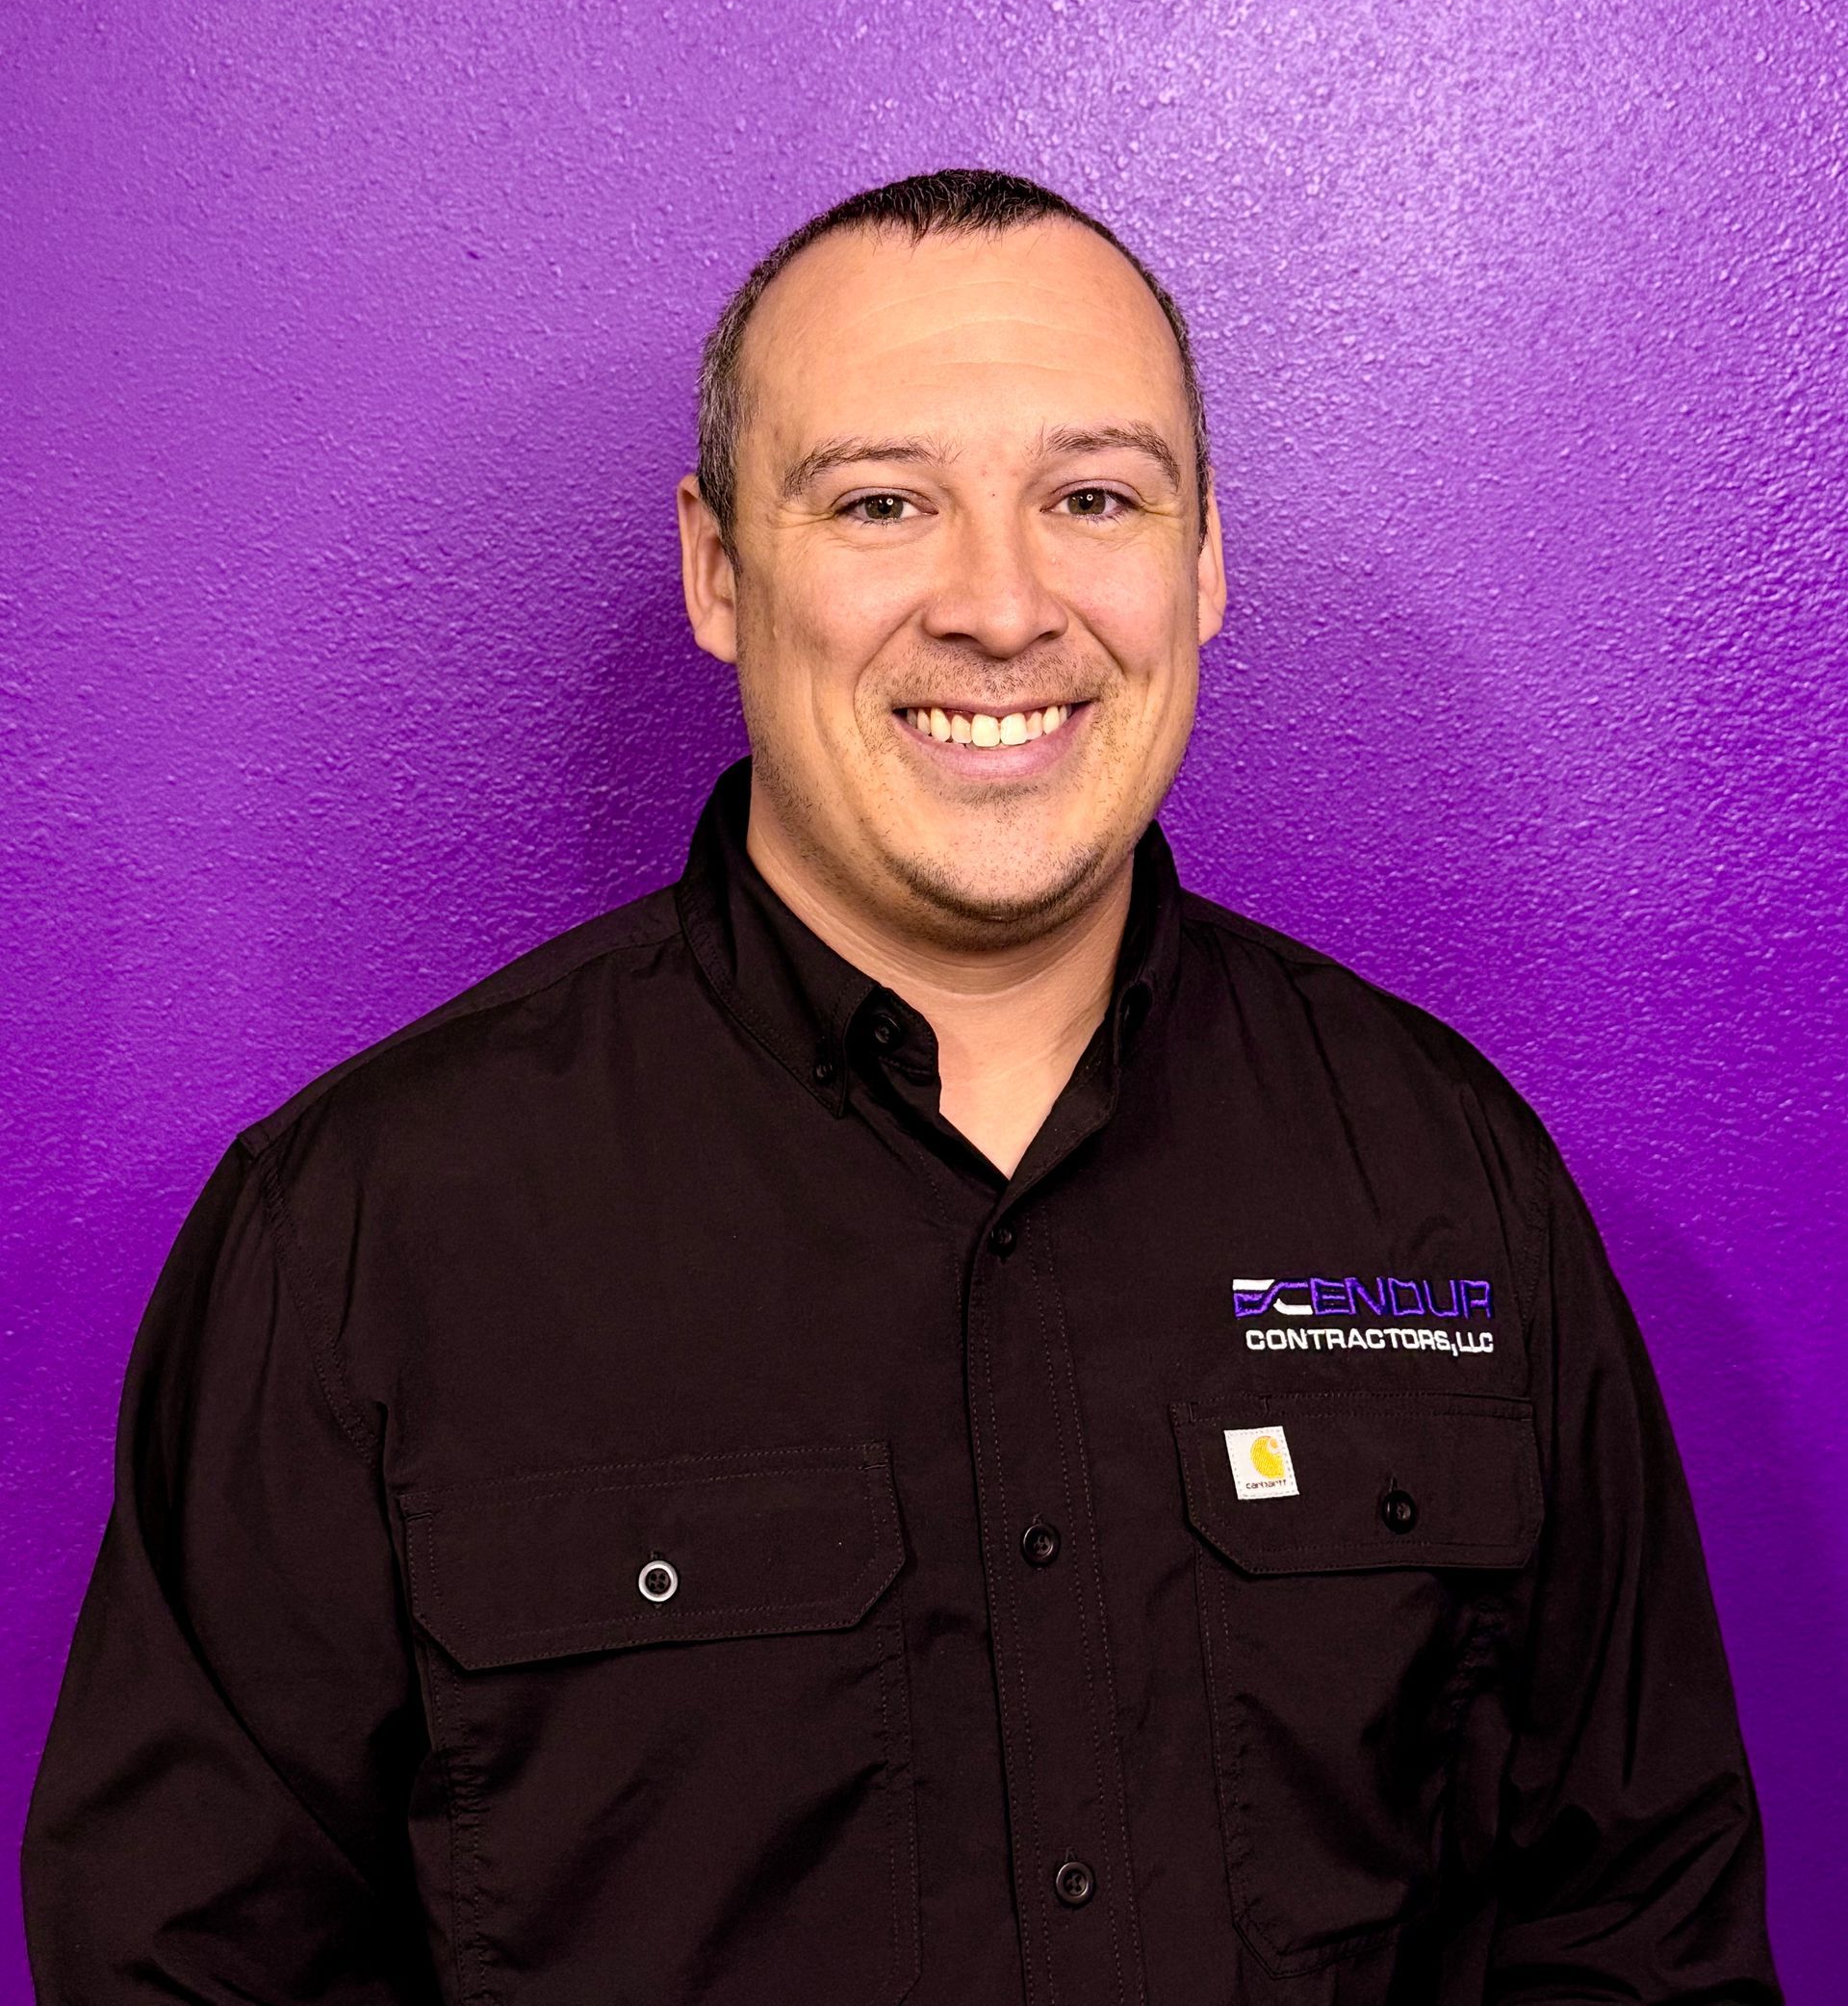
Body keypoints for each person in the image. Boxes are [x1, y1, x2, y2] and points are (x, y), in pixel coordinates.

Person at [24, 169, 1779, 2004]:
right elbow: (190, 1965)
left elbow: (1637, 1929)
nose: (1003, 608)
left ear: (1201, 566)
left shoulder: (1449, 1182)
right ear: (719, 570)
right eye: (882, 503)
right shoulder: (363, 1238)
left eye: (1093, 499)